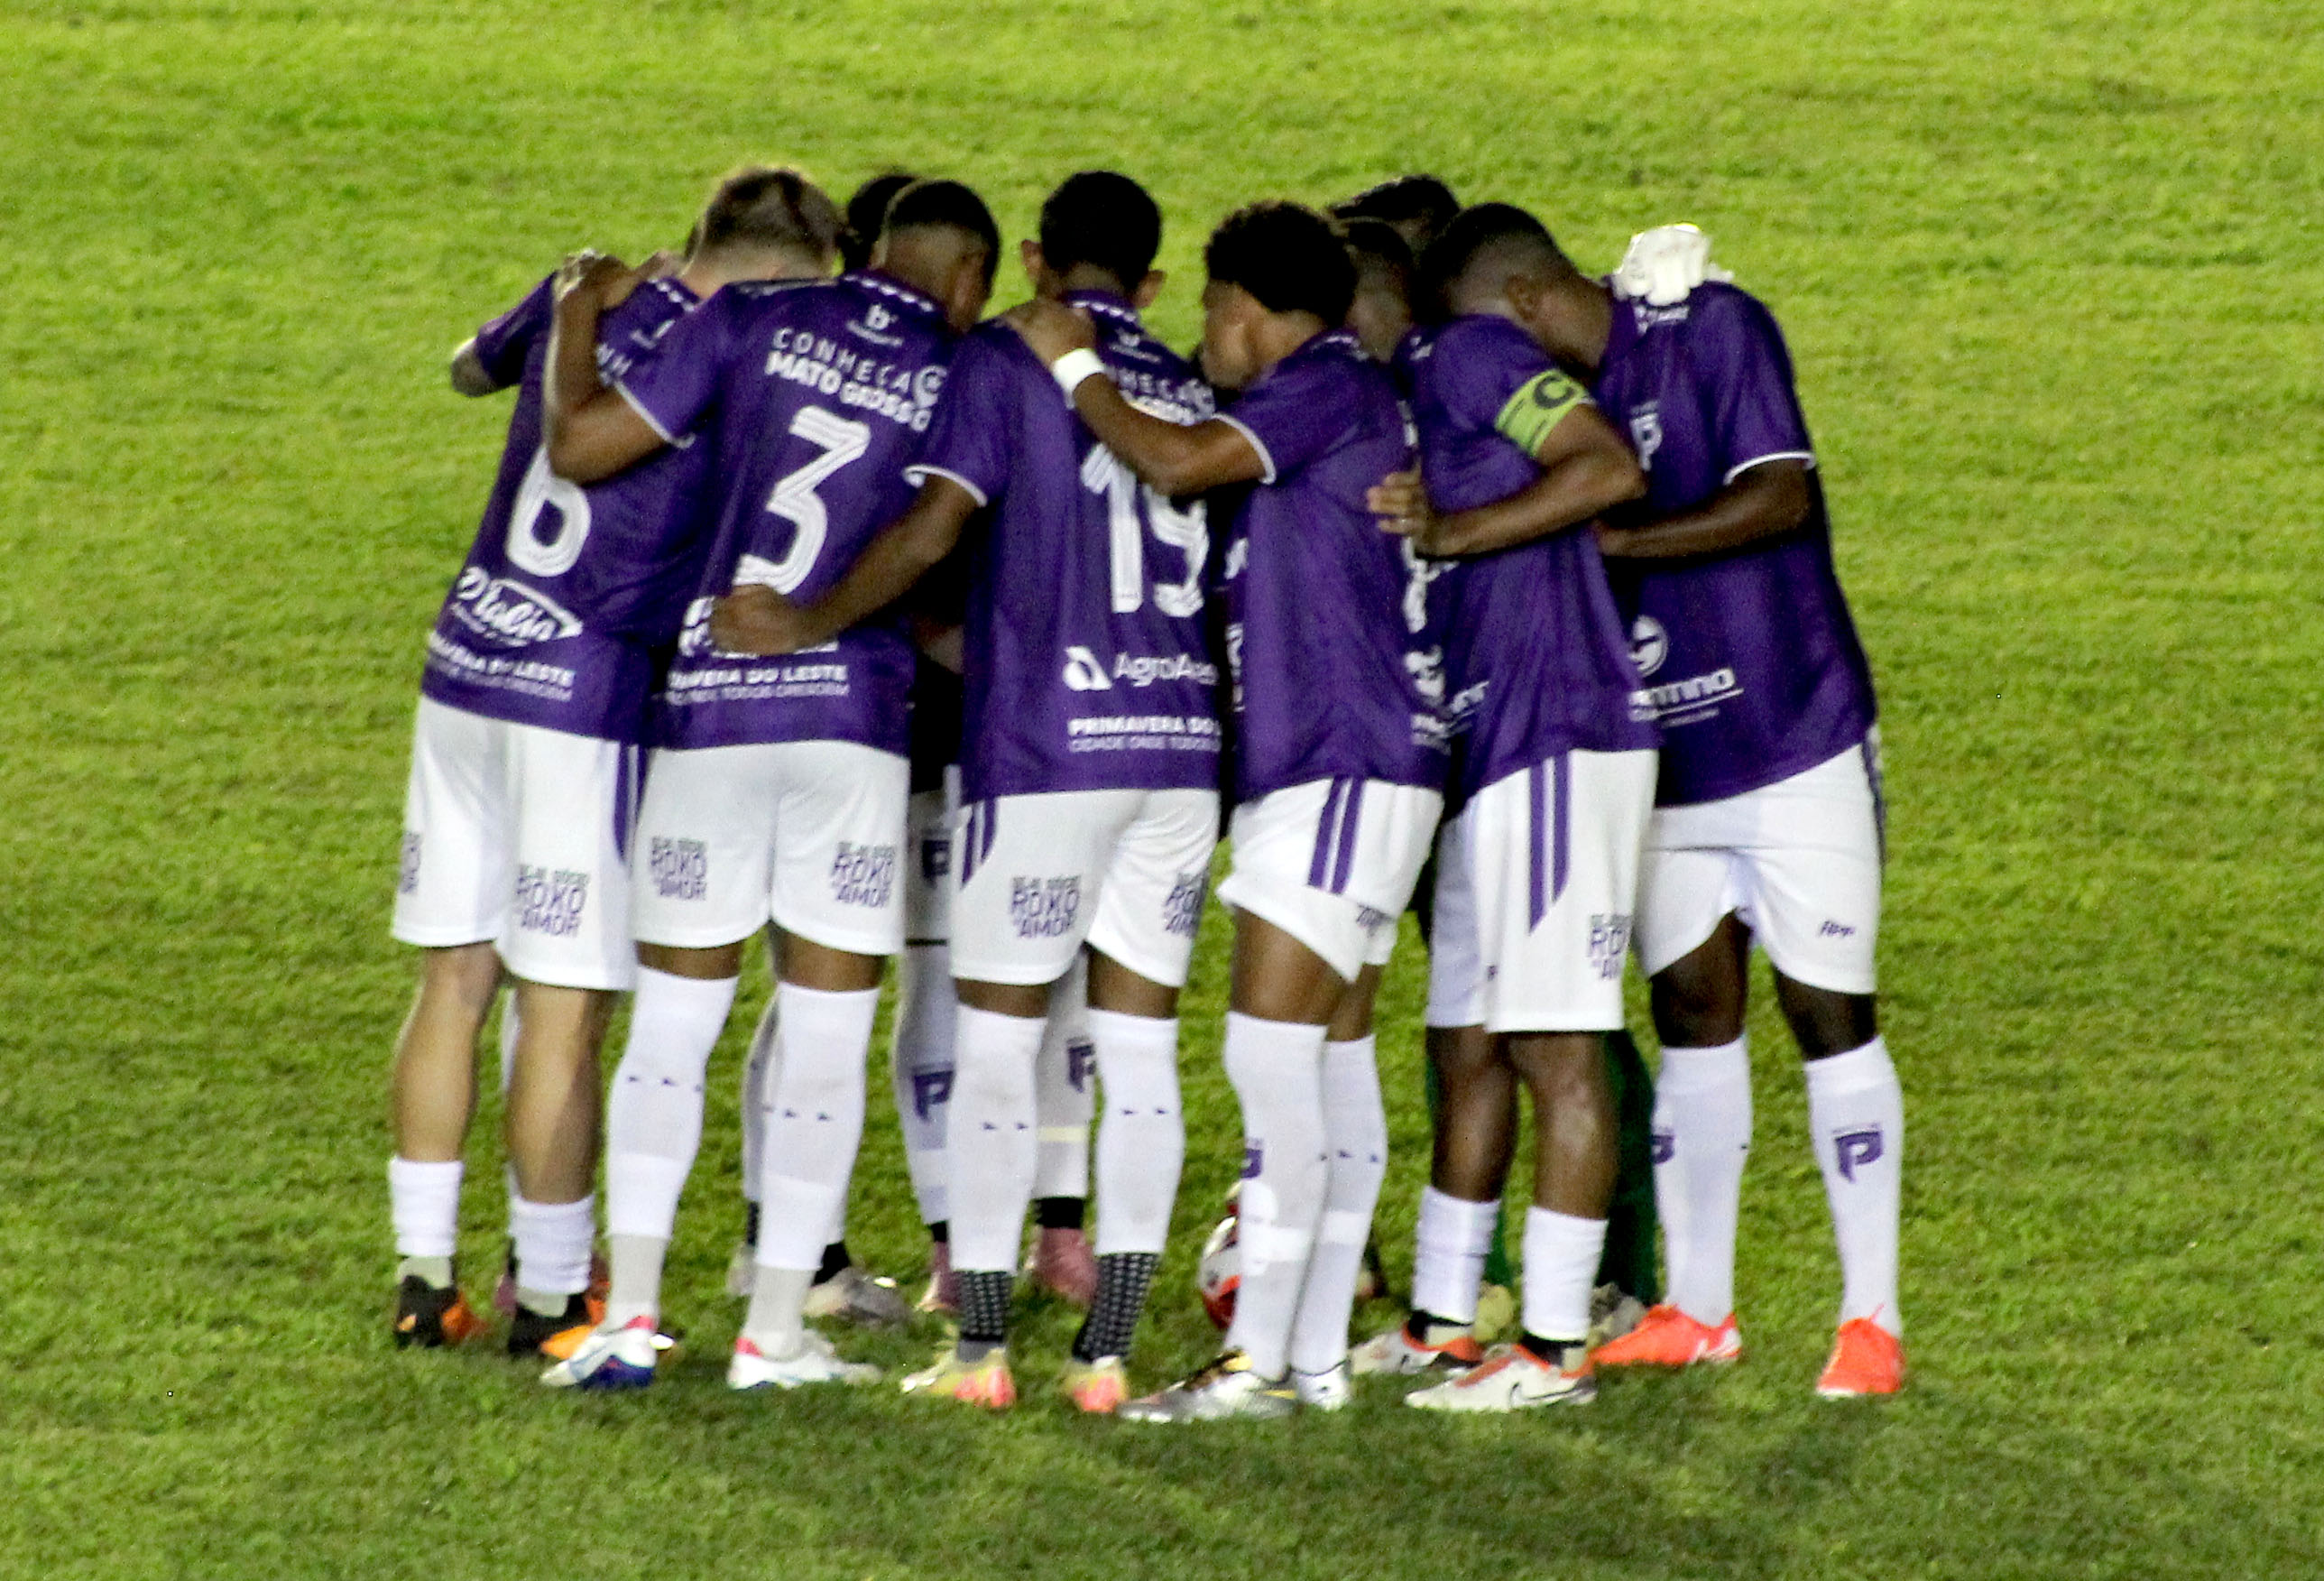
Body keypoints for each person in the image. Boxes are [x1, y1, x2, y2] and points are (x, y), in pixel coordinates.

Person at [713, 171, 1217, 1414]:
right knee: (1140, 1054)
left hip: (1046, 753)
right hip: (1175, 747)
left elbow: (935, 530)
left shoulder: (1001, 360)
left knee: (997, 1045)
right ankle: (1105, 1358)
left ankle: (982, 1351)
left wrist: (814, 618)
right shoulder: (1189, 386)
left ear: (1036, 262)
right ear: (1153, 277)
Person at [534, 177, 999, 1392]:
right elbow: (933, 538)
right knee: (826, 1040)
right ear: (963, 277)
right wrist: (817, 622)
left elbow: (580, 449)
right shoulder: (966, 366)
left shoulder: (748, 317)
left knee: (671, 1031)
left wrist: (575, 316)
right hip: (851, 728)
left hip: (712, 712)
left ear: (869, 248)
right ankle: (777, 1336)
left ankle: (630, 1321)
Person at [384, 168, 826, 1361]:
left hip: (467, 659)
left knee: (454, 978)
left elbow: (464, 370)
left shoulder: (587, 288)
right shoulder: (736, 346)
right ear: (772, 276)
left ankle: (423, 1278)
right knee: (564, 1007)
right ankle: (551, 1295)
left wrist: (569, 306)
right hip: (581, 698)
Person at [1006, 199, 1434, 1420]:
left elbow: (1180, 461)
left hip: (1338, 761)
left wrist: (1074, 364)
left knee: (1273, 1056)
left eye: (1211, 309)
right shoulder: (1340, 397)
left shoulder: (1322, 384)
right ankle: (1313, 1358)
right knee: (1332, 1062)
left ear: (1248, 309)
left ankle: (1256, 1364)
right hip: (1356, 764)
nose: (1204, 334)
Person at [1572, 224, 1905, 1398]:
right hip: (1669, 764)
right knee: (1691, 1016)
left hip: (1794, 734)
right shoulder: (1533, 397)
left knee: (1829, 1014)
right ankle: (1698, 1309)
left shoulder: (1710, 322)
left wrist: (1614, 541)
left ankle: (1872, 1323)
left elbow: (1778, 497)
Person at [1365, 201, 1658, 1412]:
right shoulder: (1408, 393)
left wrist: (1455, 532)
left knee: (1554, 1046)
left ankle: (1551, 1349)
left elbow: (1607, 465)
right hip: (1494, 749)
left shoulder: (1467, 352)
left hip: (1559, 729)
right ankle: (1444, 1323)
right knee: (1467, 1044)